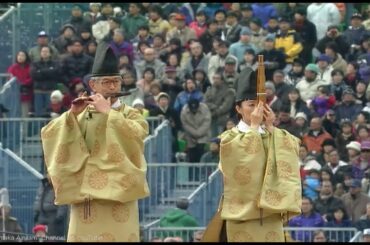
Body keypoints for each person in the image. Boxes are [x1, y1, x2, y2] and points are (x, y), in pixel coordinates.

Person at [40, 41, 150, 242]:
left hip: (121, 193)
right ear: (92, 85)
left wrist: (109, 112)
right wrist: (71, 116)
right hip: (88, 194)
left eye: (115, 81)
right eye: (106, 82)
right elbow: (50, 134)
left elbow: (138, 134)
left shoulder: (131, 114)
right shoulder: (81, 113)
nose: (112, 86)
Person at [202, 64, 302, 242]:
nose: (257, 110)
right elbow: (236, 165)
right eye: (251, 105)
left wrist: (271, 128)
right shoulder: (230, 137)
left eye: (261, 105)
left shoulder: (275, 135)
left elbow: (292, 153)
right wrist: (255, 128)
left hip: (271, 214)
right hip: (242, 214)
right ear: (238, 109)